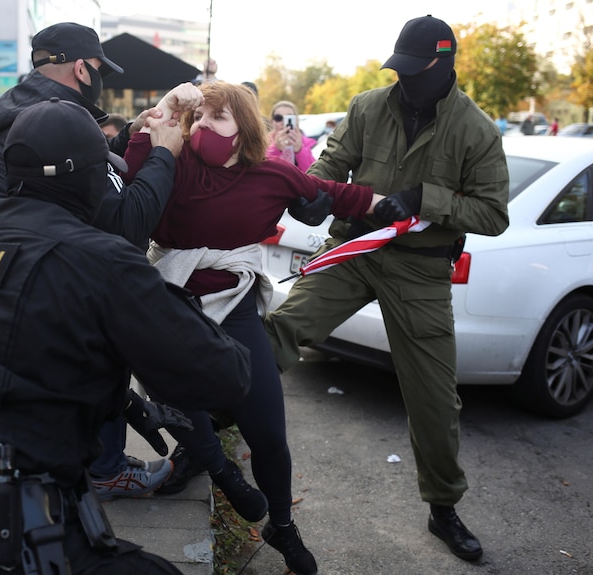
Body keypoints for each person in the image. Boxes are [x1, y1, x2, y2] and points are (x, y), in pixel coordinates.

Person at [0, 97, 253, 575]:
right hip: (5, 544)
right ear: (89, 178)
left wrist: (126, 402)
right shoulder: (98, 258)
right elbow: (225, 376)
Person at [0, 22, 196, 500]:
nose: (101, 77)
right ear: (84, 68)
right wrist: (165, 153)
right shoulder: (64, 115)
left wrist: (131, 131)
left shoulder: (27, 107)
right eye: (100, 69)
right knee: (97, 348)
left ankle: (52, 480)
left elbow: (81, 165)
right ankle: (100, 472)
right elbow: (127, 224)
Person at [264, 15, 510, 563]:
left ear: (444, 63)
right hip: (355, 249)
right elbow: (332, 165)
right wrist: (312, 193)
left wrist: (426, 199)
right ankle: (209, 430)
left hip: (420, 270)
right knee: (279, 330)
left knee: (434, 398)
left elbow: (493, 214)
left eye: (414, 71)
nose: (403, 81)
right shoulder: (368, 106)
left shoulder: (476, 129)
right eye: (397, 69)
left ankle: (443, 507)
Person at [122, 81, 383, 575]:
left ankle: (282, 525)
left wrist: (398, 208)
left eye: (214, 119)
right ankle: (219, 471)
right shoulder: (172, 161)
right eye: (198, 119)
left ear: (242, 129)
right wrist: (162, 113)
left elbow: (336, 194)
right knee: (175, 393)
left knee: (268, 429)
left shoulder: (272, 175)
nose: (201, 128)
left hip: (235, 304)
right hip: (170, 299)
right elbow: (131, 175)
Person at [266, 100, 316, 172]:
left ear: (296, 121)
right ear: (271, 122)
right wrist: (275, 149)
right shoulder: (263, 144)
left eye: (289, 118)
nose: (284, 122)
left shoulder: (309, 144)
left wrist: (300, 150)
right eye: (278, 118)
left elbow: (314, 175)